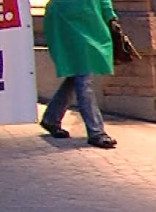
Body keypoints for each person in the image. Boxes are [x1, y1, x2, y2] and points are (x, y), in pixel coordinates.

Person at [39, 0, 119, 149]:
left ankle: (51, 117)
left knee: (78, 75)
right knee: (83, 77)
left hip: (91, 21)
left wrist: (110, 15)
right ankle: (96, 132)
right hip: (67, 20)